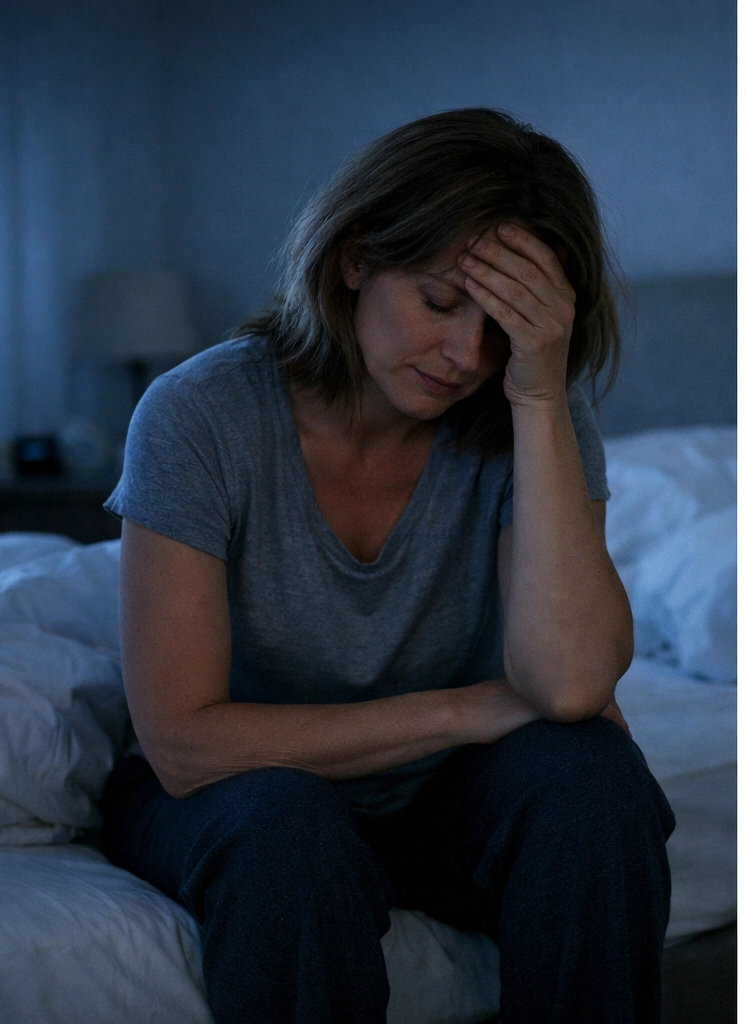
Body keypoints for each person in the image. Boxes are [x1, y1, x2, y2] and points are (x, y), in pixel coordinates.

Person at [100, 108, 674, 1023]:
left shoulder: (531, 414)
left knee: (594, 783)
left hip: (438, 795)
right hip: (239, 797)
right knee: (285, 833)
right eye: (442, 303)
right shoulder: (197, 414)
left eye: (504, 330)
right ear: (355, 257)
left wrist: (537, 391)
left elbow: (567, 687)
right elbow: (182, 745)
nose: (465, 356)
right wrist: (469, 707)